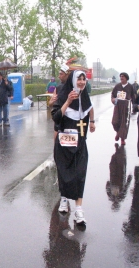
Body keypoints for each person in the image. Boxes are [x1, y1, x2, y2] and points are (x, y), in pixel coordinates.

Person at [51, 70, 96, 226]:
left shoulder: (84, 96)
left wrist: (92, 122)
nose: (82, 82)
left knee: (79, 174)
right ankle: (64, 199)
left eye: (84, 79)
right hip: (64, 143)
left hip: (80, 143)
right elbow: (56, 117)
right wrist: (68, 102)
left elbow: (89, 109)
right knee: (64, 173)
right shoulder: (63, 95)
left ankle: (78, 209)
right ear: (73, 80)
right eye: (79, 79)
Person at [111, 72, 135, 145]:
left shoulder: (130, 87)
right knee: (115, 121)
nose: (121, 78)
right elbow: (113, 95)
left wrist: (134, 106)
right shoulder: (117, 86)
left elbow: (133, 97)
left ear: (126, 78)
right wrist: (113, 99)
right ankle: (118, 132)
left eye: (123, 76)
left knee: (124, 123)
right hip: (118, 105)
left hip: (126, 106)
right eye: (121, 76)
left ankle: (122, 139)